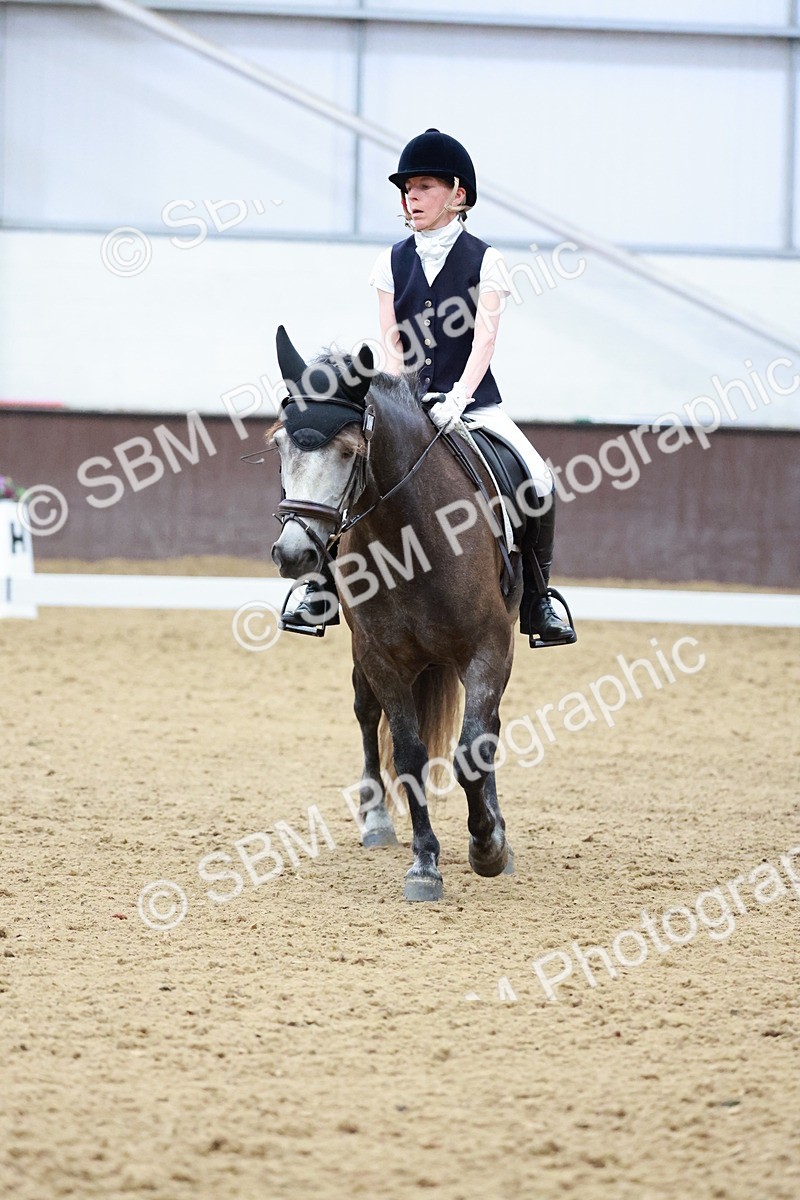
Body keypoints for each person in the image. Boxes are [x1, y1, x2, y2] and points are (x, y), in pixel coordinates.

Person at [283, 127, 575, 646]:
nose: (411, 197)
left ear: (458, 194)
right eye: (407, 189)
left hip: (474, 404)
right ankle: (320, 590)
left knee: (539, 480)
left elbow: (485, 340)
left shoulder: (486, 260)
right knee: (347, 470)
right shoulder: (389, 261)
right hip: (406, 402)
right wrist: (406, 397)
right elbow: (391, 340)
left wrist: (458, 399)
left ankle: (538, 601)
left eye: (424, 187)